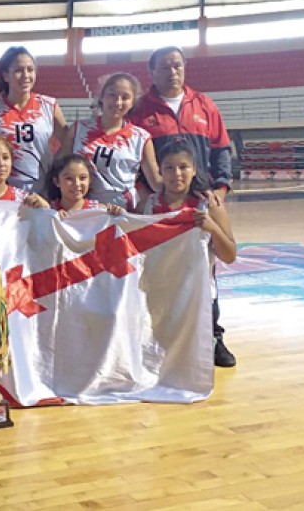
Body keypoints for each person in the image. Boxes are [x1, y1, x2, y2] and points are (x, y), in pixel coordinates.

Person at [129, 45, 236, 367]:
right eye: (164, 66)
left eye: (177, 65)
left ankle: (213, 336)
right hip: (161, 204)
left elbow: (221, 151)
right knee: (159, 271)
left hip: (199, 202)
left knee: (205, 270)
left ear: (184, 67)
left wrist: (219, 190)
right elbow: (133, 157)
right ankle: (158, 336)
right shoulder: (139, 111)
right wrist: (145, 196)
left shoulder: (204, 104)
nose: (172, 71)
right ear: (152, 72)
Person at [143, 140, 237, 360]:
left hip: (195, 297)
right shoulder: (147, 206)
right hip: (159, 296)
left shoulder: (208, 205)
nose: (177, 174)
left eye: (183, 167)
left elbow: (230, 255)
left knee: (192, 363)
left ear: (194, 169)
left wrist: (213, 228)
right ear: (160, 171)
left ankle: (214, 343)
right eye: (169, 168)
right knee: (159, 361)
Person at [61, 73, 160, 211]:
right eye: (112, 95)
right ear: (102, 97)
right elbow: (59, 168)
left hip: (120, 211)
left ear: (133, 102)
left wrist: (186, 192)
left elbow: (156, 182)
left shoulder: (140, 138)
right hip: (82, 209)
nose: (118, 102)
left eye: (125, 97)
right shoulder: (78, 129)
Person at [0, 46, 66, 193]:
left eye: (30, 70)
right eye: (19, 70)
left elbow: (68, 145)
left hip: (42, 191)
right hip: (3, 192)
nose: (26, 75)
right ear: (5, 75)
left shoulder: (49, 105)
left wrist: (54, 170)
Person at [46, 153, 124, 217]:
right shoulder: (47, 210)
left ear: (90, 180)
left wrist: (118, 213)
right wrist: (52, 217)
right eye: (69, 178)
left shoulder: (101, 211)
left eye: (82, 178)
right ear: (56, 181)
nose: (77, 184)